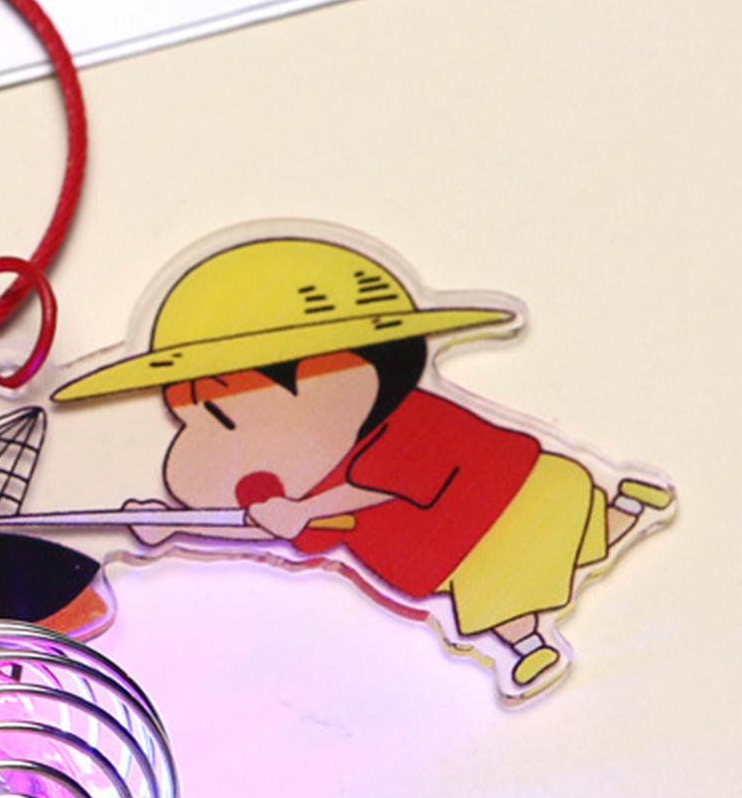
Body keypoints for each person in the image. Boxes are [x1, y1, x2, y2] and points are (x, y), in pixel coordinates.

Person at [53, 233, 672, 698]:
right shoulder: (311, 481)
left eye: (223, 412)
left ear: (347, 372)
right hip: (450, 557)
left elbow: (380, 486)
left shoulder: (410, 424)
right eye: (192, 416)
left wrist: (305, 508)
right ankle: (585, 562)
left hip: (505, 504)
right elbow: (266, 534)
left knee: (544, 553)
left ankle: (563, 596)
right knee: (520, 575)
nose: (203, 441)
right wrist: (177, 526)